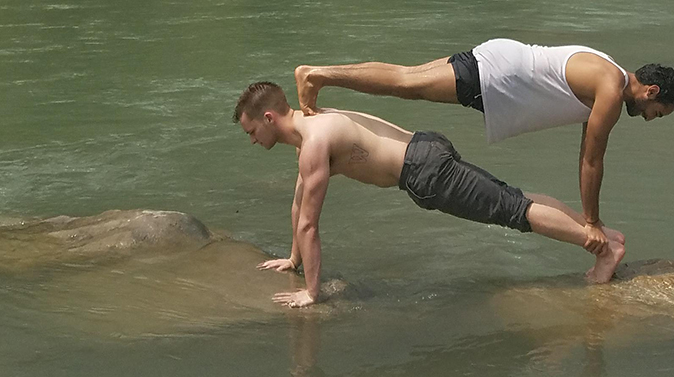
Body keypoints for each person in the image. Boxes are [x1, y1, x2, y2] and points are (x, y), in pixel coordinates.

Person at [233, 81, 628, 308]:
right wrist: (292, 258)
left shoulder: (314, 143)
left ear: (269, 118)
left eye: (252, 132)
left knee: (513, 209)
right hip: (425, 150)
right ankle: (601, 234)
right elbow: (299, 200)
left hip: (425, 171)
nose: (252, 141)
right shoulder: (311, 125)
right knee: (512, 198)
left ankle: (601, 248)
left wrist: (312, 292)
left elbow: (310, 223)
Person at [294, 39, 674, 257]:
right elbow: (591, 159)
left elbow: (586, 150)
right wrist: (592, 223)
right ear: (651, 91)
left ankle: (321, 79)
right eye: (659, 111)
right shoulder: (612, 92)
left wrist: (591, 218)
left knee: (406, 78)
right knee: (405, 83)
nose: (652, 118)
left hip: (498, 60)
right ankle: (318, 75)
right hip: (498, 77)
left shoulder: (608, 68)